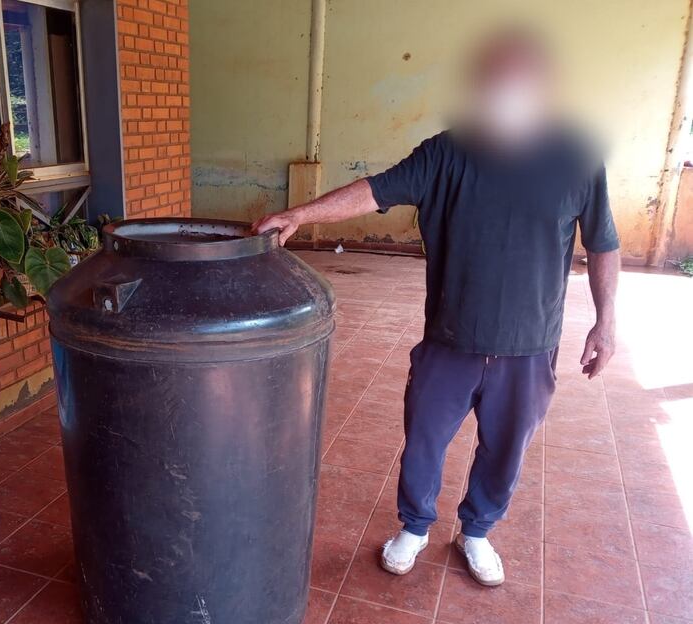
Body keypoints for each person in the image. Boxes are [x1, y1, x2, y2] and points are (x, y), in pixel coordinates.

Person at [253, 28, 620, 587]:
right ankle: (416, 526)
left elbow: (603, 244)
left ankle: (478, 531)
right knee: (423, 440)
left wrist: (606, 321)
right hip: (450, 340)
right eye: (496, 79)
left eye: (519, 79)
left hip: (529, 346)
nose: (506, 91)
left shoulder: (575, 158)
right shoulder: (448, 152)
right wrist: (300, 214)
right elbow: (376, 190)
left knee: (506, 449)